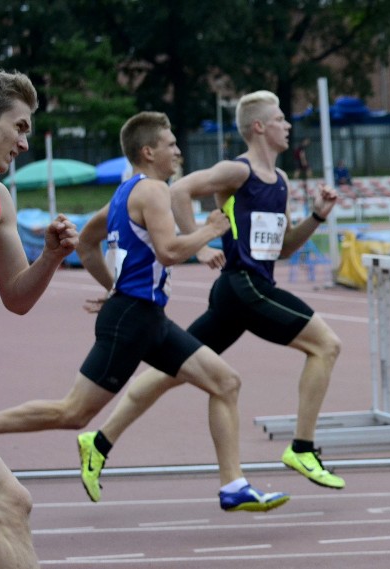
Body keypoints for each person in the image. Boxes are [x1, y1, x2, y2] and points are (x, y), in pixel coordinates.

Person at [0, 110, 289, 514]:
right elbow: (169, 251)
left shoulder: (123, 193)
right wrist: (208, 231)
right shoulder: (152, 190)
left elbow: (86, 245)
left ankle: (234, 486)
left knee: (225, 382)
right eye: (171, 145)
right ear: (149, 151)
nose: (178, 151)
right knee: (73, 413)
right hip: (132, 319)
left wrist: (115, 286)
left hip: (148, 317)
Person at [77, 90, 345, 500]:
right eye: (280, 119)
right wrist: (199, 245)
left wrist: (317, 216)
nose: (288, 125)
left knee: (169, 373)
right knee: (326, 345)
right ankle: (302, 447)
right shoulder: (237, 172)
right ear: (259, 127)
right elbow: (180, 190)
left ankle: (100, 441)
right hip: (243, 286)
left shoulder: (283, 181)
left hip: (243, 293)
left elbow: (284, 248)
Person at [0, 69, 78, 569]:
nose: (25, 142)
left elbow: (16, 297)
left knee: (12, 505)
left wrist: (49, 256)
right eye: (19, 127)